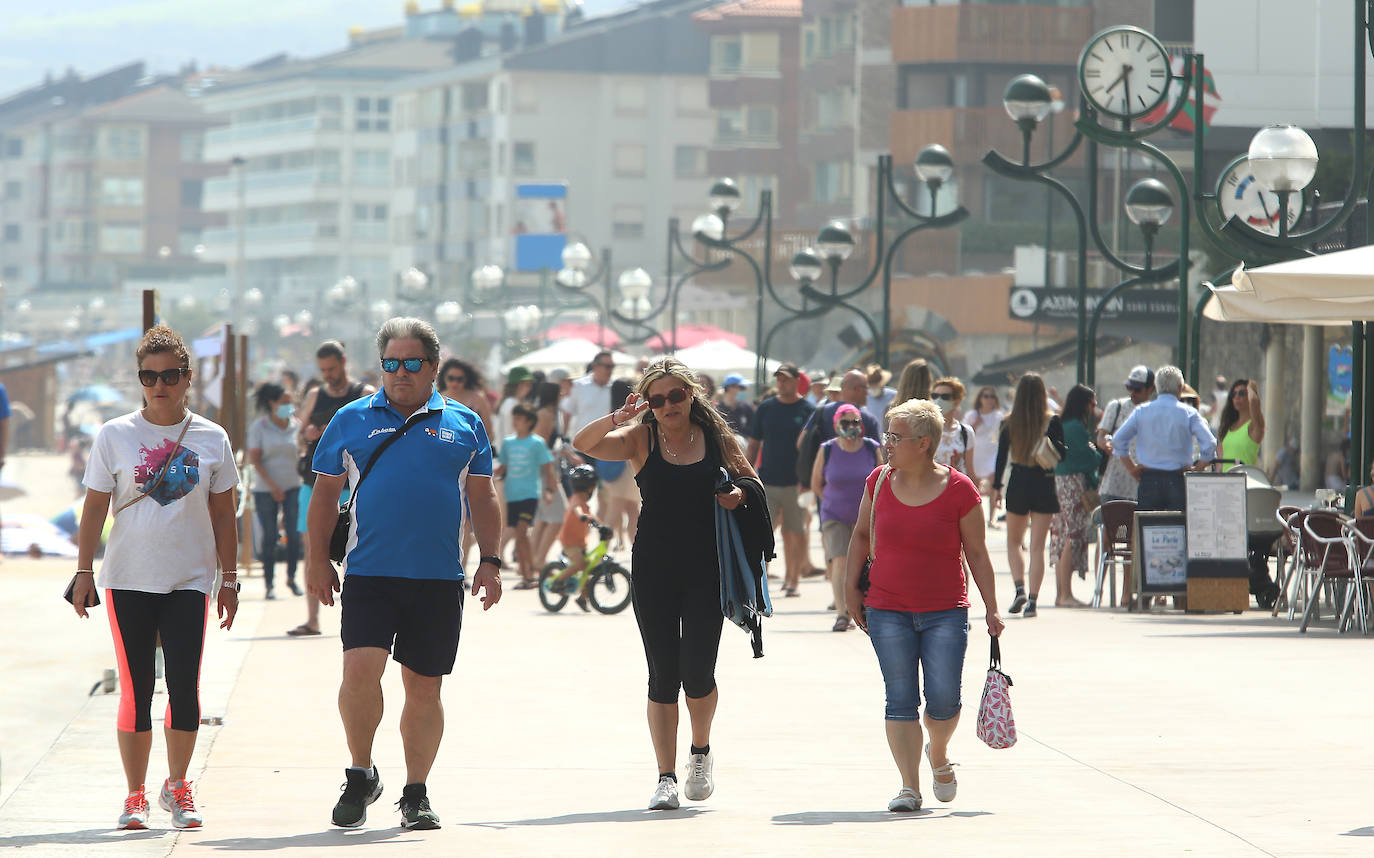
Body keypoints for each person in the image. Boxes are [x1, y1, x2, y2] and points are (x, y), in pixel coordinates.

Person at [305, 317, 503, 832]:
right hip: (369, 572)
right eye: (390, 363)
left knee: (424, 688)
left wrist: (491, 560)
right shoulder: (350, 419)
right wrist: (315, 559)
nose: (400, 373)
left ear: (433, 367)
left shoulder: (466, 424)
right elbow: (325, 495)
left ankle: (415, 792)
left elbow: (482, 496)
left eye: (412, 364)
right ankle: (360, 772)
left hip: (438, 578)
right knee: (359, 674)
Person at [69, 324, 240, 830]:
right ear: (140, 380)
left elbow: (225, 515)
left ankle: (179, 787)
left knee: (186, 686)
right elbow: (94, 508)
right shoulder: (115, 435)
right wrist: (83, 571)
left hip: (190, 578)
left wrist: (228, 579)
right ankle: (135, 794)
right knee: (137, 688)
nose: (159, 384)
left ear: (187, 378)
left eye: (169, 375)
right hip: (128, 578)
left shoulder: (213, 438)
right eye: (149, 375)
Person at [573, 357, 758, 812]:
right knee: (663, 674)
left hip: (707, 568)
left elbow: (752, 484)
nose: (669, 405)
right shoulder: (641, 436)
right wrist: (623, 415)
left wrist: (737, 496)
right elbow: (583, 443)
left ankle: (700, 753)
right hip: (654, 566)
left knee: (698, 673)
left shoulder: (716, 438)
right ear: (648, 404)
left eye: (677, 395)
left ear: (691, 395)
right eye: (658, 399)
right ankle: (666, 776)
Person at [845, 398, 1003, 813]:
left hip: (945, 610)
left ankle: (938, 751)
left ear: (924, 443)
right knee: (899, 699)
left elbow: (978, 553)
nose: (887, 444)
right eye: (887, 435)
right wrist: (849, 591)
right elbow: (861, 536)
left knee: (944, 701)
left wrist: (992, 608)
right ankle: (909, 786)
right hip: (886, 607)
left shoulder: (959, 489)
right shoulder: (878, 481)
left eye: (896, 437)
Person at [290, 342, 374, 637]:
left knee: (356, 547)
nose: (328, 375)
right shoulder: (316, 395)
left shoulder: (364, 395)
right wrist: (308, 434)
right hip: (314, 485)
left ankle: (356, 611)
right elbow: (299, 438)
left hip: (350, 487)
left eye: (332, 369)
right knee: (312, 549)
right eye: (323, 370)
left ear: (343, 362)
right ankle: (312, 618)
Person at [991, 373, 1066, 619]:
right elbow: (1062, 455)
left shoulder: (1008, 422)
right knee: (1037, 547)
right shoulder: (1051, 421)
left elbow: (1002, 458)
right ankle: (1033, 601)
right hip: (1044, 483)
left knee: (1014, 542)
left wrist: (996, 488)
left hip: (1019, 481)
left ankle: (1019, 588)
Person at [811, 403, 881, 632]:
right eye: (845, 422)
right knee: (840, 560)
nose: (851, 426)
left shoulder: (871, 447)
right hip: (835, 515)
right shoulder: (828, 449)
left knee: (866, 563)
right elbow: (816, 483)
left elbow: (882, 481)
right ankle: (842, 614)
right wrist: (831, 502)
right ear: (836, 424)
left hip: (866, 517)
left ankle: (865, 609)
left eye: (855, 422)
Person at [747, 363, 815, 598]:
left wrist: (809, 480)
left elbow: (812, 448)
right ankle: (760, 580)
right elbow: (754, 442)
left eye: (785, 378)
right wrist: (745, 475)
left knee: (794, 533)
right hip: (768, 480)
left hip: (796, 482)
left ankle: (793, 580)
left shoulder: (807, 409)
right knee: (762, 533)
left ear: (797, 380)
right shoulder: (766, 408)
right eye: (778, 378)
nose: (781, 382)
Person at [1110, 365, 1216, 513]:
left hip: (1149, 479)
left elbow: (1118, 441)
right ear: (1180, 388)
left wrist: (1132, 469)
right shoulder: (1190, 413)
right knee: (1179, 529)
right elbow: (1210, 444)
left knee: (1147, 529)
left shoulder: (1142, 411)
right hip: (1178, 480)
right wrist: (1197, 469)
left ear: (1156, 387)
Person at [247, 381, 302, 600]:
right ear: (272, 403)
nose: (289, 406)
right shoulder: (259, 428)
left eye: (291, 402)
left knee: (294, 536)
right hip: (265, 489)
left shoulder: (297, 425)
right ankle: (269, 583)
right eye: (284, 402)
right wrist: (272, 486)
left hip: (293, 486)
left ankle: (291, 578)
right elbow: (255, 460)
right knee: (269, 537)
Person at [496, 403, 556, 588]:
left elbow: (548, 469)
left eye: (519, 419)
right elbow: (502, 467)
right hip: (511, 494)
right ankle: (527, 574)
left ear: (529, 422)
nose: (515, 422)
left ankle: (529, 574)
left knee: (522, 532)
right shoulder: (508, 442)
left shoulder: (537, 443)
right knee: (519, 536)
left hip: (530, 494)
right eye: (514, 418)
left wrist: (549, 490)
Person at [1051, 384, 1099, 608]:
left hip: (1060, 483)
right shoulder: (1076, 428)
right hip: (1074, 484)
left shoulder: (1062, 423)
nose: (1095, 407)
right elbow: (1089, 459)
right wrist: (1097, 452)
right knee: (1072, 536)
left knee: (1062, 537)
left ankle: (1061, 594)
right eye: (1092, 402)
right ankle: (1066, 595)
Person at [531, 380, 574, 567]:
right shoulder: (546, 415)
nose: (562, 396)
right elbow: (539, 446)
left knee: (542, 518)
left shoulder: (547, 413)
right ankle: (539, 559)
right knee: (558, 516)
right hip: (544, 470)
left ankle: (533, 560)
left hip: (542, 470)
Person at [1097, 365, 1154, 504]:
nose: (1132, 392)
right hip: (1113, 485)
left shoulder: (1155, 411)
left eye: (1138, 389)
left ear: (1150, 389)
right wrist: (1105, 444)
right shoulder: (1116, 406)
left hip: (1140, 486)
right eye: (1130, 388)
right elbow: (1101, 436)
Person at [548, 464, 600, 611]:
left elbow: (592, 516)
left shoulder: (584, 502)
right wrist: (582, 516)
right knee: (579, 565)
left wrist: (602, 525)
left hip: (579, 542)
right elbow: (577, 509)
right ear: (590, 488)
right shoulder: (577, 500)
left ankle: (582, 599)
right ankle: (557, 582)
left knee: (586, 570)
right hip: (570, 542)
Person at [966, 386, 1004, 527]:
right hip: (976, 453)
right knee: (973, 486)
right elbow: (966, 434)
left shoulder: (999, 415)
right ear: (980, 398)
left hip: (992, 452)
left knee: (994, 483)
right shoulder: (972, 415)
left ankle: (991, 518)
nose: (989, 399)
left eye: (991, 396)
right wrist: (975, 424)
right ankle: (974, 516)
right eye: (986, 396)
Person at [439, 358, 494, 438]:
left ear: (466, 379)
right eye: (451, 378)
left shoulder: (477, 398)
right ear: (444, 377)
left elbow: (489, 432)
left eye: (459, 379)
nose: (455, 383)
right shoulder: (437, 398)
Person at [931, 377, 975, 479]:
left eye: (945, 396)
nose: (939, 400)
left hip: (957, 488)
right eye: (935, 396)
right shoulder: (925, 429)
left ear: (956, 401)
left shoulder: (966, 432)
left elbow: (970, 470)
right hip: (932, 488)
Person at [1216, 378, 1265, 467]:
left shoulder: (1254, 426)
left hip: (1246, 479)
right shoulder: (1229, 427)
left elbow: (1254, 400)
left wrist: (1250, 386)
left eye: (1242, 393)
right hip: (1226, 479)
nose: (1236, 397)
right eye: (1233, 394)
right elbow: (1221, 462)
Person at [493, 366, 533, 448]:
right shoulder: (511, 403)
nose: (530, 388)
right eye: (527, 384)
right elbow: (510, 431)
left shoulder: (511, 401)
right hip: (510, 450)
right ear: (518, 385)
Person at [715, 373, 755, 438]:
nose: (743, 391)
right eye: (741, 388)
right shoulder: (717, 410)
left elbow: (754, 430)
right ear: (729, 388)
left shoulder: (747, 408)